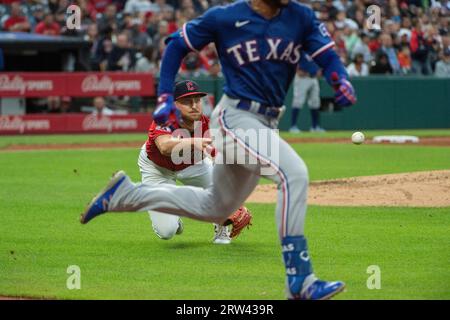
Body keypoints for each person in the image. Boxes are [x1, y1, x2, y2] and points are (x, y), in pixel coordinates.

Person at [80, 0, 356, 300]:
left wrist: (339, 77)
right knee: (294, 174)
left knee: (217, 208)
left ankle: (125, 195)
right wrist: (163, 94)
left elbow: (326, 56)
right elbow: (176, 44)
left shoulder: (300, 16)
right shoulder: (225, 17)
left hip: (266, 119)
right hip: (236, 116)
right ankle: (300, 279)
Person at [137, 80, 251, 243]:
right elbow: (164, 147)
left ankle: (221, 228)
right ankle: (173, 219)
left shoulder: (207, 123)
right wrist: (193, 141)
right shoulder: (163, 119)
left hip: (193, 165)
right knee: (167, 231)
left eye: (197, 100)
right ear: (174, 104)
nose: (194, 105)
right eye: (186, 101)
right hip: (157, 168)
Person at [290, 54, 324, 133]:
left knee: (315, 102)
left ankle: (315, 127)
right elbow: (293, 61)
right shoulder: (300, 49)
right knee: (298, 102)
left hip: (313, 78)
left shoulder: (313, 50)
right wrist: (297, 70)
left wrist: (318, 70)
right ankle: (293, 126)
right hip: (302, 78)